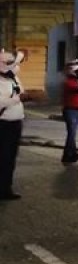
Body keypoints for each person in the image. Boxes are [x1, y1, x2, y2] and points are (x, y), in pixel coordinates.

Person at [0, 50, 26, 200]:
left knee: (10, 158)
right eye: (10, 62)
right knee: (4, 157)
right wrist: (14, 100)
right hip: (3, 124)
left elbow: (22, 92)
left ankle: (5, 188)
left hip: (16, 123)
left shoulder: (13, 78)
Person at [62, 59, 78, 164]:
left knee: (72, 133)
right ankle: (67, 155)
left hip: (76, 110)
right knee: (71, 133)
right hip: (71, 110)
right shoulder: (69, 82)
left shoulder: (75, 81)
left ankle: (73, 153)